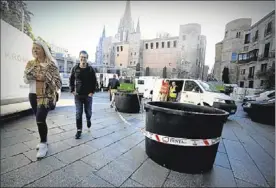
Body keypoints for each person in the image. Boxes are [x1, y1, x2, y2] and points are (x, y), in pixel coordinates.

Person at [23, 40, 62, 159]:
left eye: (37, 48)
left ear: (43, 50)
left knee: (40, 118)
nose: (34, 50)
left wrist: (45, 77)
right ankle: (43, 139)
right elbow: (25, 80)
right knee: (39, 120)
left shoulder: (51, 64)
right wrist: (30, 75)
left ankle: (43, 144)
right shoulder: (30, 64)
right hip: (33, 95)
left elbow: (58, 83)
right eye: (33, 48)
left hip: (45, 96)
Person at [69, 51, 97, 139]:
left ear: (87, 58)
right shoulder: (75, 68)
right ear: (79, 57)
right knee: (78, 113)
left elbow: (94, 81)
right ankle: (79, 130)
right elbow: (71, 79)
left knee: (88, 112)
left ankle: (88, 120)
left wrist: (92, 92)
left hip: (88, 96)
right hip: (78, 96)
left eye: (84, 57)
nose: (83, 59)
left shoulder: (90, 69)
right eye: (81, 57)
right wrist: (72, 90)